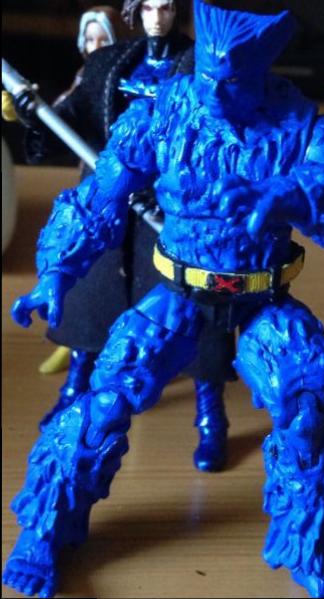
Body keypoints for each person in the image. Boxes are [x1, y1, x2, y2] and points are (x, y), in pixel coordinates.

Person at [3, 1, 324, 598]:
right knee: (103, 398)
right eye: (209, 76)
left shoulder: (299, 126)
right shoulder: (165, 112)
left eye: (232, 82)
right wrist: (56, 272)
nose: (214, 92)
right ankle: (43, 530)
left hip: (262, 296)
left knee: (304, 406)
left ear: (261, 74)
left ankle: (311, 552)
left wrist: (291, 194)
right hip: (178, 292)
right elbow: (98, 197)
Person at [9, 0, 233, 474]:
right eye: (148, 6)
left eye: (166, 7)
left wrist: (174, 187)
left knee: (195, 312)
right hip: (112, 199)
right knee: (92, 298)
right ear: (135, 11)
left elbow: (220, 135)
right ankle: (76, 386)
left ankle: (210, 414)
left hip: (173, 208)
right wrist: (33, 114)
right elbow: (73, 119)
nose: (157, 17)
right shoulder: (111, 63)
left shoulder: (202, 65)